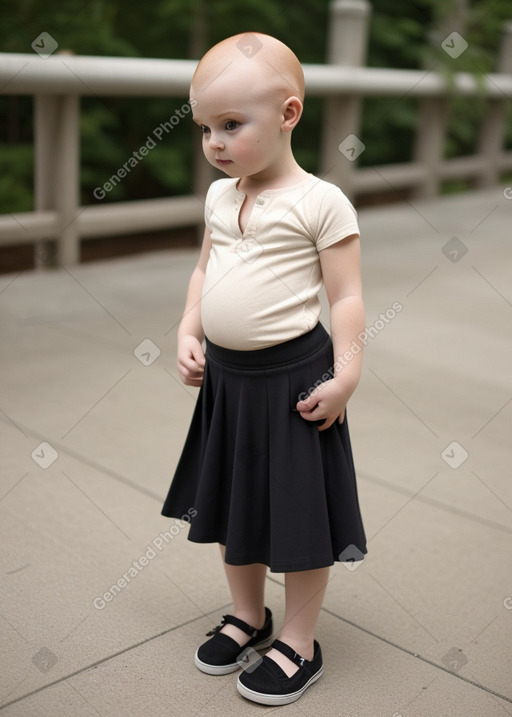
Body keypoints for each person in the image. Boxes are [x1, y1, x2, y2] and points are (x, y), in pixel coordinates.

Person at [161, 31, 367, 707]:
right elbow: (204, 269)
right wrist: (190, 327)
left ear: (288, 114)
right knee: (232, 502)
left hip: (294, 383)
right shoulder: (221, 199)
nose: (215, 142)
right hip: (227, 382)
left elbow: (346, 296)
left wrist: (346, 375)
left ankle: (300, 641)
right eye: (204, 128)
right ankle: (249, 613)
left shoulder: (320, 202)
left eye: (231, 125)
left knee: (299, 516)